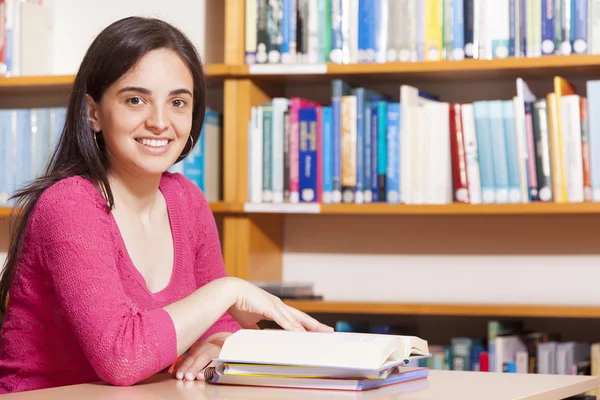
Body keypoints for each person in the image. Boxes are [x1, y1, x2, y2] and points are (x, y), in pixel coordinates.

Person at [0, 16, 333, 394]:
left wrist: (220, 344)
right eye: (136, 100)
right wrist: (227, 290)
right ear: (93, 112)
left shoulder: (186, 199)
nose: (160, 122)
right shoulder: (68, 205)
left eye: (177, 102)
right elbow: (121, 358)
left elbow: (217, 323)